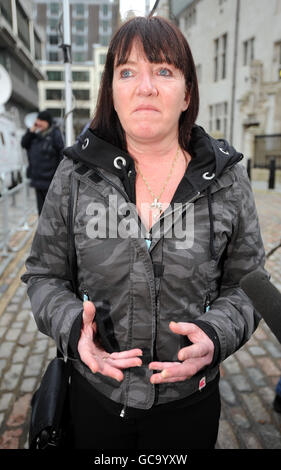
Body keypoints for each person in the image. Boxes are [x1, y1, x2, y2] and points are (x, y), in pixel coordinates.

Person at [21, 16, 267, 450]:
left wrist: (217, 334)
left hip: (189, 402)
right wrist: (73, 326)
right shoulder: (76, 174)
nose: (146, 87)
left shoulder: (227, 179)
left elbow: (249, 284)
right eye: (128, 71)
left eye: (164, 70)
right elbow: (44, 276)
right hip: (97, 395)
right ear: (111, 92)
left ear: (187, 92)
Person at [21, 110, 64, 215]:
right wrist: (31, 131)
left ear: (47, 122)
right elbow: (24, 143)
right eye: (37, 120)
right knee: (41, 211)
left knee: (51, 210)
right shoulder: (34, 135)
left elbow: (61, 155)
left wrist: (60, 177)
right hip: (37, 179)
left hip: (50, 181)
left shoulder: (55, 134)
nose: (38, 123)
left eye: (41, 120)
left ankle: (51, 230)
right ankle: (43, 230)